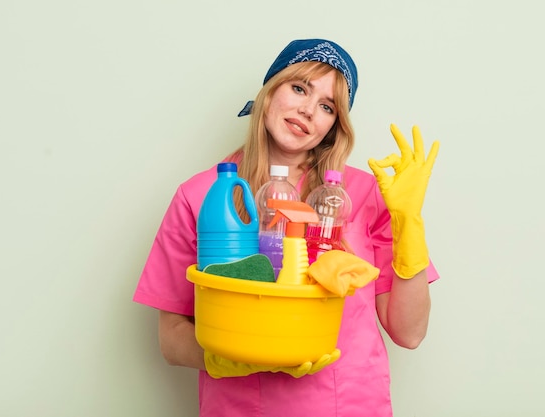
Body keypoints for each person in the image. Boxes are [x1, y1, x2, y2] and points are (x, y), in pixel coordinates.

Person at [133, 38, 440, 417]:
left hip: (351, 404)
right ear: (270, 90)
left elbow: (409, 333)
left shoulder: (363, 194)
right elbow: (171, 339)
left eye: (327, 107)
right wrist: (230, 361)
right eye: (299, 88)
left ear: (333, 126)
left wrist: (409, 223)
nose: (308, 110)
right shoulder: (202, 197)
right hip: (242, 407)